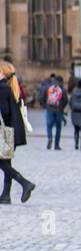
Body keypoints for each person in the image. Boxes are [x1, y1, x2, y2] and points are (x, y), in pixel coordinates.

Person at [0, 62, 36, 204]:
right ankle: (6, 195)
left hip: (4, 133)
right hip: (11, 132)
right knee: (6, 162)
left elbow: (4, 112)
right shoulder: (10, 87)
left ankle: (25, 183)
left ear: (2, 73)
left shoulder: (2, 88)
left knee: (4, 164)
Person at [43, 74, 66, 149]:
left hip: (49, 109)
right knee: (58, 127)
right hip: (58, 110)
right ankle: (56, 145)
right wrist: (61, 107)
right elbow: (65, 100)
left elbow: (41, 96)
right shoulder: (62, 88)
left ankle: (49, 138)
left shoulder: (48, 87)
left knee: (49, 126)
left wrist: (45, 105)